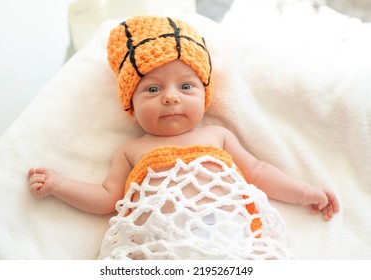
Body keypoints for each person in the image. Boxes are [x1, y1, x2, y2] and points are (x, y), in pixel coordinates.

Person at [28, 16, 339, 259]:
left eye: (186, 86)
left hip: (229, 238)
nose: (170, 98)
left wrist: (302, 192)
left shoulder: (217, 135)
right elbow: (108, 198)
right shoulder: (131, 150)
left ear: (205, 95)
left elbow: (257, 173)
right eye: (152, 89)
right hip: (159, 247)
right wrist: (59, 185)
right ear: (131, 107)